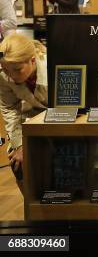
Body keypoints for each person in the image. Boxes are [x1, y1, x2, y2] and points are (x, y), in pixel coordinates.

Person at [0, 34, 48, 194]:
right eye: (6, 70)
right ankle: (33, 210)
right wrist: (19, 145)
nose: (11, 76)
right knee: (17, 162)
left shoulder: (51, 65)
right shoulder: (4, 76)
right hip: (33, 118)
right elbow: (9, 109)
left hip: (63, 118)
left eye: (17, 70)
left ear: (33, 60)